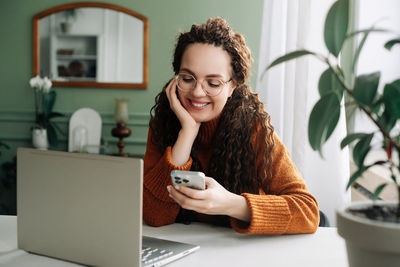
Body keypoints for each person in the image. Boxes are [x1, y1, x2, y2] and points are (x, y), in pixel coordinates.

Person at [143, 17, 319, 234]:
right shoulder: (164, 125)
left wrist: (232, 204)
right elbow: (153, 215)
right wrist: (187, 133)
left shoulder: (253, 128)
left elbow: (308, 211)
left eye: (213, 83)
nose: (198, 92)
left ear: (232, 86)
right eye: (187, 78)